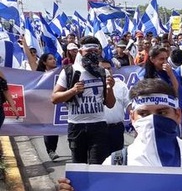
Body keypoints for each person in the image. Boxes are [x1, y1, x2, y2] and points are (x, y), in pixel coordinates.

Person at [50, 36, 117, 164]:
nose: (92, 54)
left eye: (95, 51)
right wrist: (73, 91)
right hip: (76, 127)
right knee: (78, 166)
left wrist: (110, 88)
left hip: (99, 125)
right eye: (88, 51)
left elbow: (110, 104)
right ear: (80, 52)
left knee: (98, 166)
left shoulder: (104, 72)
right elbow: (54, 98)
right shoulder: (69, 72)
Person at [34, 53, 61, 160]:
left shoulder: (60, 72)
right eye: (50, 59)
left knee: (57, 127)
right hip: (45, 104)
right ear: (44, 62)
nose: (53, 60)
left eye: (54, 58)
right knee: (49, 127)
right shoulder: (39, 74)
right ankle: (51, 150)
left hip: (58, 103)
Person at [100, 58, 130, 154]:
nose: (107, 71)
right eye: (103, 69)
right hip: (98, 130)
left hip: (116, 129)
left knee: (116, 162)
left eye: (109, 68)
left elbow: (129, 105)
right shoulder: (92, 85)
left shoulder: (120, 84)